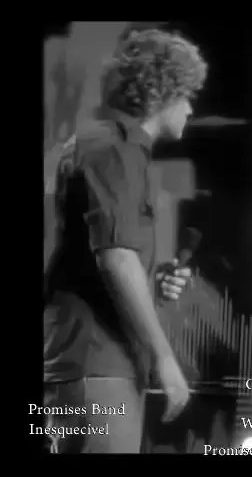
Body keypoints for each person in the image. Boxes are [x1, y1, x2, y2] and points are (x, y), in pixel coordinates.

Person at [43, 29, 208, 453]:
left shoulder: (123, 151)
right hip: (96, 361)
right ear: (163, 91)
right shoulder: (111, 148)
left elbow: (106, 259)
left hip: (104, 362)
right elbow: (115, 258)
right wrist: (164, 358)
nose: (191, 108)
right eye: (187, 95)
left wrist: (152, 282)